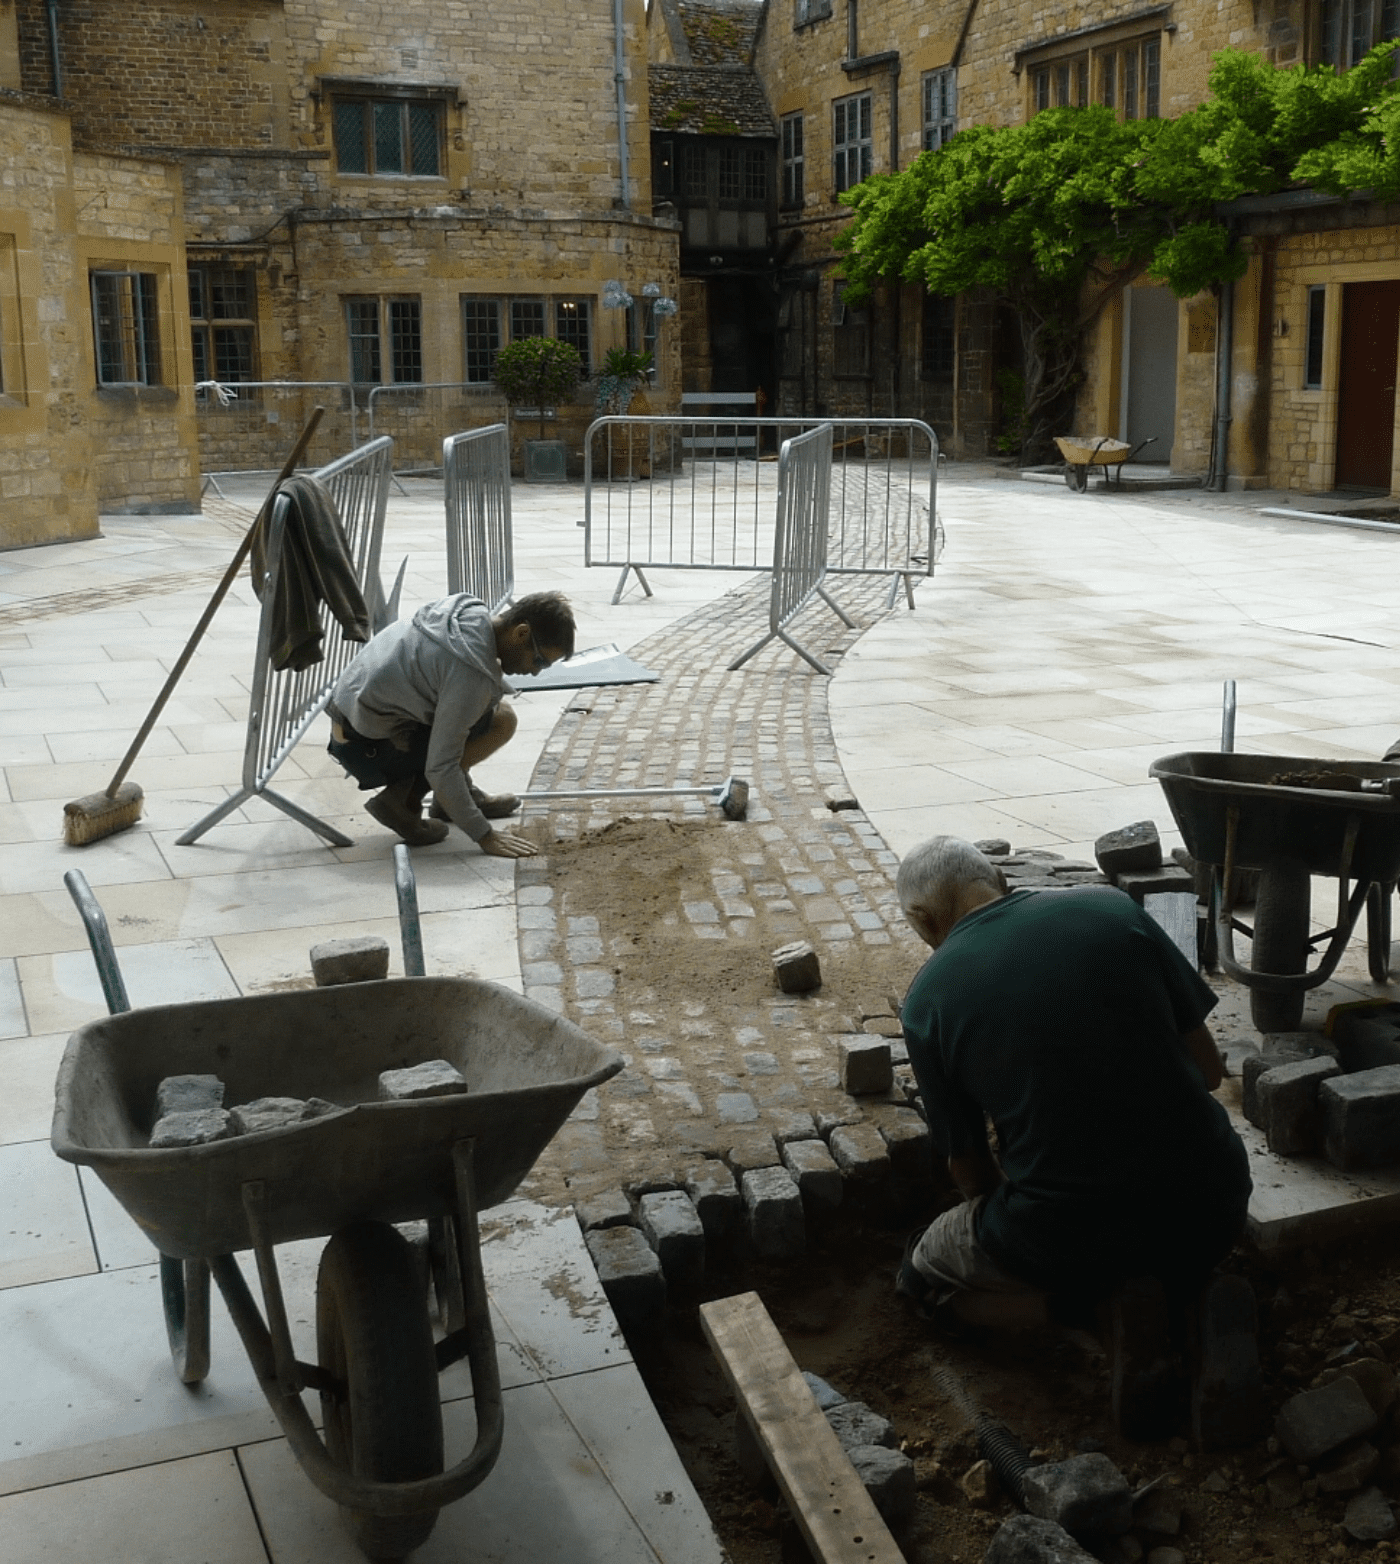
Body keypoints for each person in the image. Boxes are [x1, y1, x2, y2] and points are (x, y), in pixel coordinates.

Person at [893, 836, 1251, 1335]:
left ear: (921, 919)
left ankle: (1098, 1314)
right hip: (1217, 1205)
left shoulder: (926, 1001)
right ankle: (1178, 1292)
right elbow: (1209, 1072)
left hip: (1073, 1240)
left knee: (922, 1277)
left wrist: (1028, 1220)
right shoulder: (1111, 906)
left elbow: (973, 1177)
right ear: (997, 881)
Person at [327, 590, 575, 857]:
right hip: (366, 749)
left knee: (489, 712)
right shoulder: (469, 673)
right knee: (499, 722)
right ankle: (399, 802)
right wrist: (484, 834)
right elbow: (441, 765)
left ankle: (452, 801)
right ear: (521, 633)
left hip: (352, 724)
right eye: (539, 660)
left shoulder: (466, 615)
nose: (536, 671)